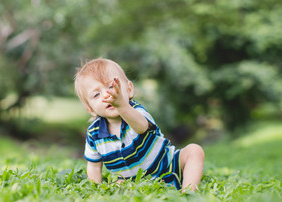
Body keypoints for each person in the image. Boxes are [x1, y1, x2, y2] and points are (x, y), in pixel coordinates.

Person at [74, 57, 204, 191]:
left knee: (194, 151)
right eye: (96, 95)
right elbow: (94, 166)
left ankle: (188, 191)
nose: (106, 95)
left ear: (129, 89)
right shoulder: (94, 133)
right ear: (90, 108)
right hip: (133, 182)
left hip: (167, 165)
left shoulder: (136, 111)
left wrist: (122, 105)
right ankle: (142, 189)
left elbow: (141, 127)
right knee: (118, 186)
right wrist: (96, 189)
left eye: (112, 87)